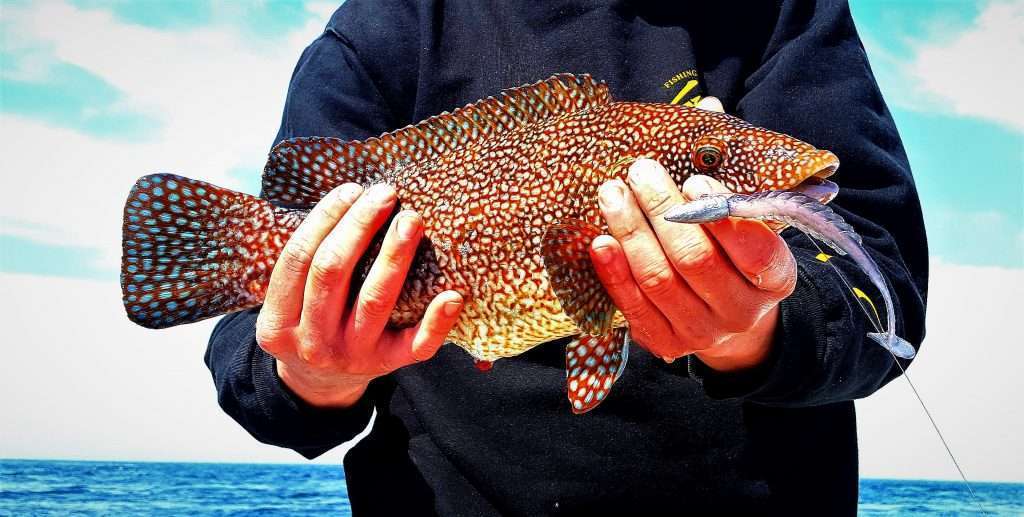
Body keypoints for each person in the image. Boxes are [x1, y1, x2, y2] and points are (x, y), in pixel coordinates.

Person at [205, 1, 928, 514]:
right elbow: (255, 364)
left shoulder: (778, 12)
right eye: (715, 156)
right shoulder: (381, 32)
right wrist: (308, 369)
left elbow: (882, 287)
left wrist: (757, 331)